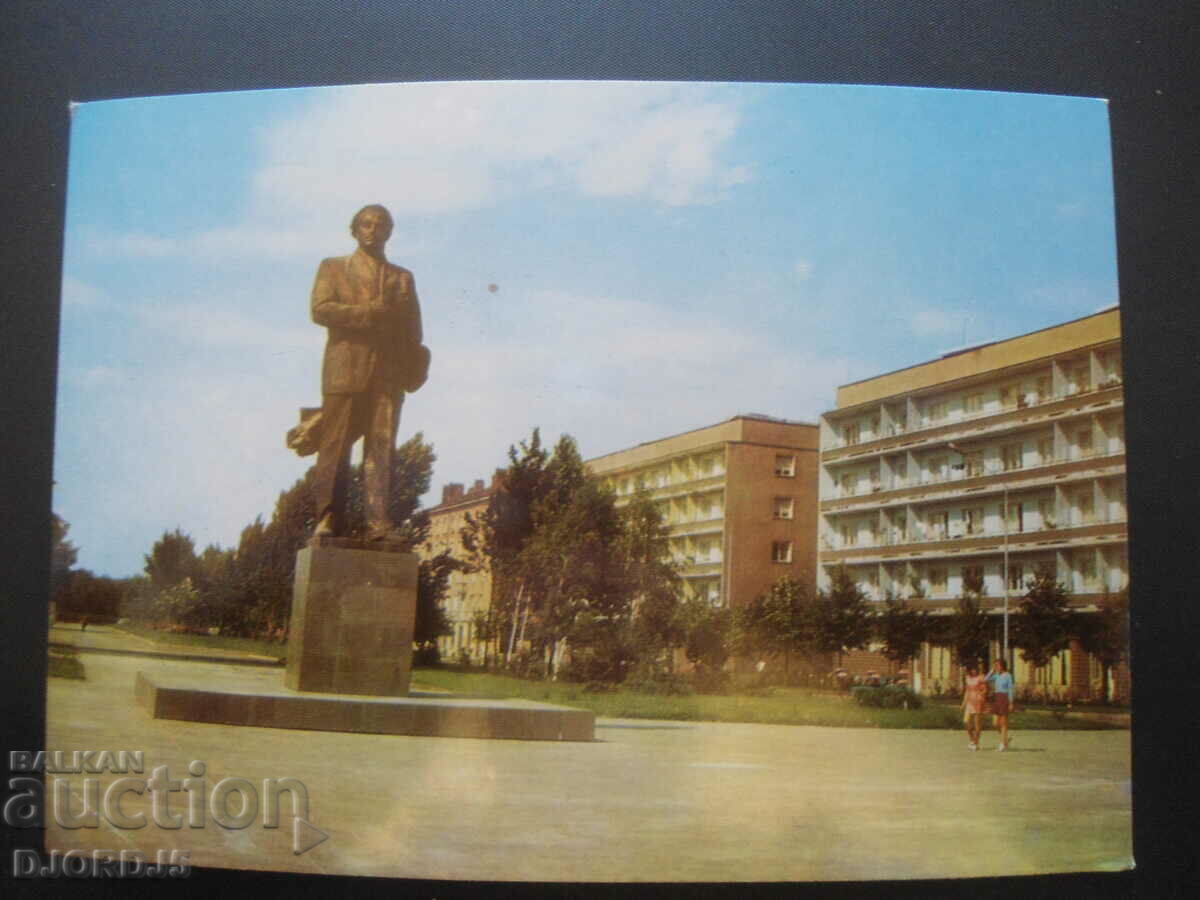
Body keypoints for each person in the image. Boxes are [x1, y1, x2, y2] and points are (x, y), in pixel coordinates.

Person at [305, 204, 429, 541]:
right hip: (345, 369)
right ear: (355, 230)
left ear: (389, 232)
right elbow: (320, 309)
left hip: (388, 375)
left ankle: (378, 524)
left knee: (382, 448)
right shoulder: (333, 268)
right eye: (366, 224)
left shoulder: (402, 277)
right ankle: (327, 520)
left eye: (380, 225)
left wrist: (414, 364)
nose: (373, 230)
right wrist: (366, 314)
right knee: (335, 446)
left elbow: (414, 330)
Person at [985, 657, 1015, 751]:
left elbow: (1010, 689)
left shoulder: (1008, 675)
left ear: (1002, 666)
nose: (996, 667)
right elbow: (986, 679)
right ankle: (1005, 739)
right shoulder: (996, 675)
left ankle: (1002, 743)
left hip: (1004, 698)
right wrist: (992, 671)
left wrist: (1011, 703)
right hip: (997, 698)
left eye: (997, 665)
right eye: (995, 665)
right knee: (995, 723)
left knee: (1003, 722)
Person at [961, 663, 987, 750]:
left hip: (978, 701)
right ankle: (972, 739)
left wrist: (981, 694)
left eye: (975, 669)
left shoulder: (981, 677)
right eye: (972, 669)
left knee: (977, 724)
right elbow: (967, 690)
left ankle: (976, 743)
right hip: (969, 702)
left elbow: (985, 689)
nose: (974, 671)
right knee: (966, 721)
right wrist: (964, 702)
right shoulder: (968, 678)